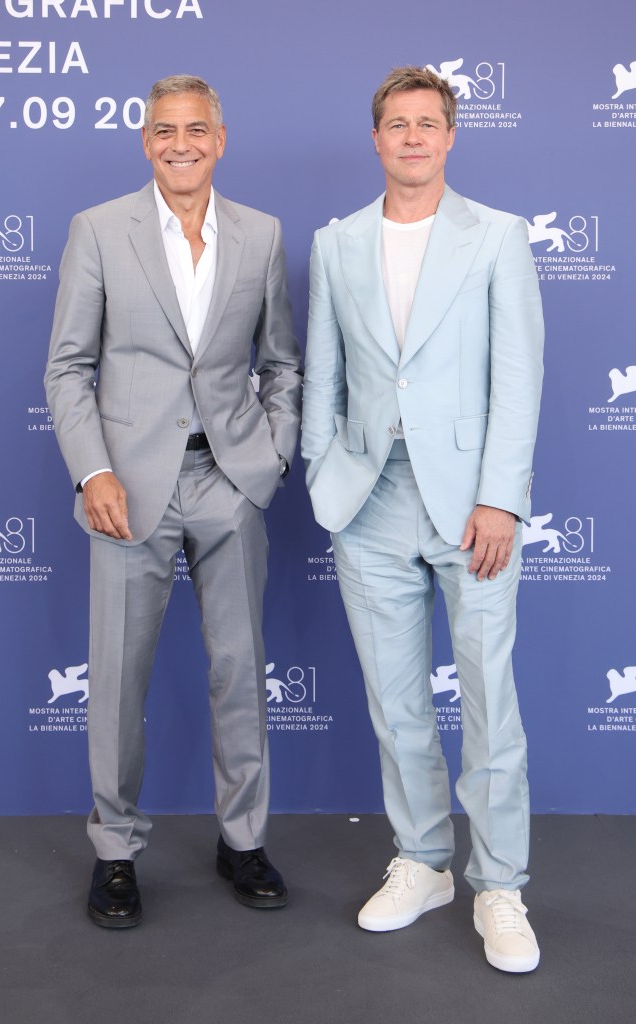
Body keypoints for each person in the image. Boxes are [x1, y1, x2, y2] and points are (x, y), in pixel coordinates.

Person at [301, 66, 544, 973]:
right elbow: (321, 373)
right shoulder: (336, 245)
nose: (410, 137)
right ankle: (421, 861)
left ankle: (500, 886)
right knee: (397, 705)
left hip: (470, 507)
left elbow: (518, 377)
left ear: (449, 137)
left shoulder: (496, 237)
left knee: (487, 702)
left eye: (426, 124)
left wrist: (500, 497)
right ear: (376, 139)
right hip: (367, 502)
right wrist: (325, 472)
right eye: (395, 124)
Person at [45, 75, 302, 928]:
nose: (181, 143)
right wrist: (94, 473)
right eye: (164, 130)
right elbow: (68, 367)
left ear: (220, 139)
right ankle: (115, 850)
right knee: (117, 677)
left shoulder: (259, 234)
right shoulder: (98, 230)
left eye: (196, 129)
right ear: (145, 140)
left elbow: (282, 362)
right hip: (127, 489)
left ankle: (243, 839)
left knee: (240, 671)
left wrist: (267, 457)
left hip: (229, 480)